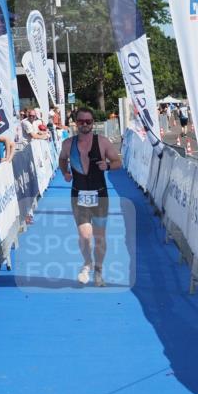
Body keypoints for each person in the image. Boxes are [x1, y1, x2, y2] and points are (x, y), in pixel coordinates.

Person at [58, 107, 123, 288]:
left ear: (93, 123)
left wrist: (108, 166)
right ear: (75, 123)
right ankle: (87, 263)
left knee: (99, 237)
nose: (85, 125)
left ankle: (99, 270)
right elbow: (62, 159)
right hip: (78, 194)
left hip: (100, 195)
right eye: (81, 122)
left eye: (88, 121)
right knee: (85, 236)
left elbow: (118, 162)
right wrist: (65, 172)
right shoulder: (68, 144)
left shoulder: (102, 142)